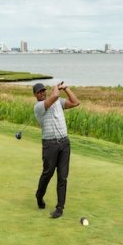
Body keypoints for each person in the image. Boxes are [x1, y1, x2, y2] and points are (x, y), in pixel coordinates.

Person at [33, 81, 80, 219]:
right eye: (39, 92)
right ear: (35, 95)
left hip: (64, 143)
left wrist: (66, 88)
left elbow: (76, 102)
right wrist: (55, 88)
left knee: (63, 177)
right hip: (50, 144)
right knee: (48, 173)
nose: (42, 93)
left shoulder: (58, 101)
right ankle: (39, 195)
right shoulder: (39, 106)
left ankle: (60, 208)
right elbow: (53, 97)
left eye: (43, 91)